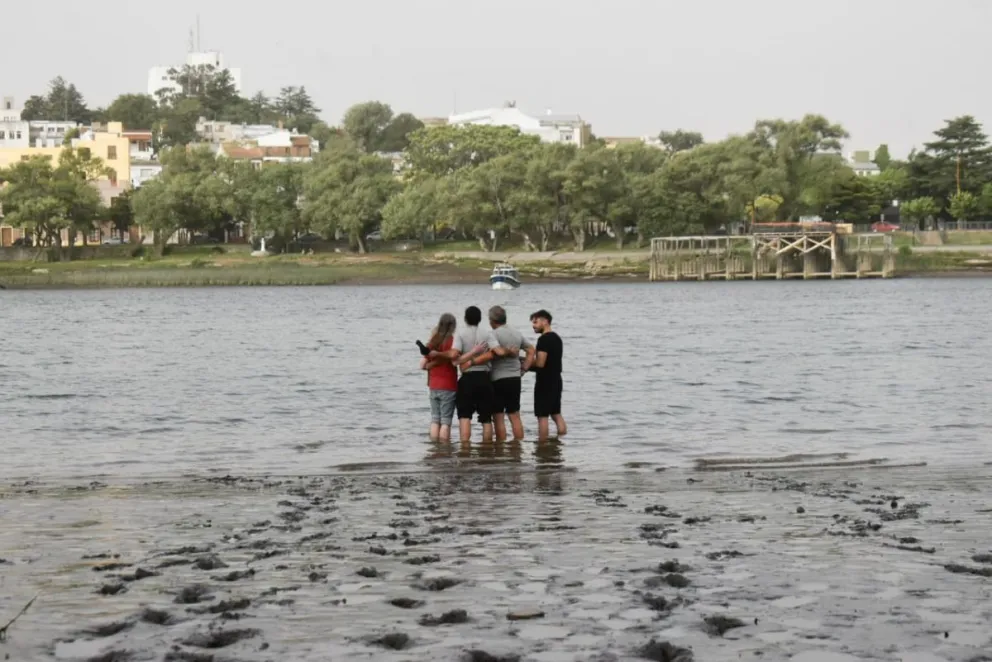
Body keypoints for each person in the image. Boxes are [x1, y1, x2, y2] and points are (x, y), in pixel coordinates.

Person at [461, 306, 535, 442]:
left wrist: (471, 362)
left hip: (498, 379)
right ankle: (518, 445)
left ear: (492, 320)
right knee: (514, 414)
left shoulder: (494, 335)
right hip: (515, 378)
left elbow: (493, 353)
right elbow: (531, 350)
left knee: (498, 416)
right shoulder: (516, 333)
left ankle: (501, 445)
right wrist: (524, 368)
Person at [429, 306, 497, 443]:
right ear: (480, 319)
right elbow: (496, 351)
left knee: (465, 416)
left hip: (467, 379)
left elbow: (454, 358)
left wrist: (465, 359)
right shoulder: (488, 334)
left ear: (465, 319)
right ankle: (487, 448)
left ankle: (465, 447)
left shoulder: (460, 334)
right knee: (486, 418)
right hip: (484, 378)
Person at [525, 309, 567, 442]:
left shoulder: (543, 340)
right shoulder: (557, 338)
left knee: (542, 416)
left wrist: (526, 363)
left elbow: (540, 363)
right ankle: (561, 440)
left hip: (545, 382)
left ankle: (542, 445)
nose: (533, 326)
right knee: (556, 414)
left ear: (545, 321)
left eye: (535, 322)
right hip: (556, 380)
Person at [418, 313, 458, 443]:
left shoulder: (433, 341)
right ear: (453, 326)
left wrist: (431, 364)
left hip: (433, 386)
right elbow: (454, 359)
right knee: (446, 422)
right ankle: (444, 447)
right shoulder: (452, 341)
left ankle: (435, 446)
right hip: (448, 385)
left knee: (435, 420)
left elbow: (422, 365)